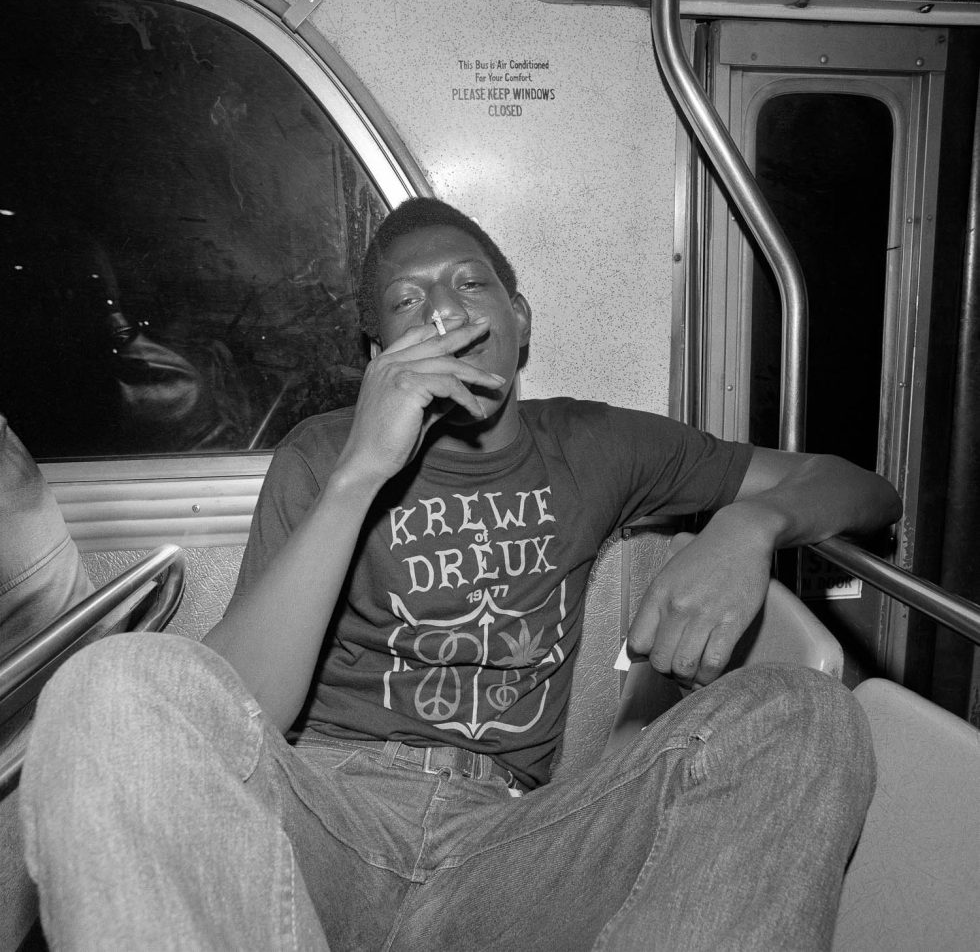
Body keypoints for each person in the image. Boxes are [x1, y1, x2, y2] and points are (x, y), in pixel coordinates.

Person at [20, 198, 902, 951]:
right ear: (379, 354)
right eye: (407, 302)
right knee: (108, 683)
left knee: (805, 713)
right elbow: (240, 709)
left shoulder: (596, 444)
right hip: (331, 817)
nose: (445, 312)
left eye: (471, 284)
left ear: (521, 321)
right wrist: (361, 470)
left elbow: (864, 488)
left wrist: (752, 523)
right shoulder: (322, 453)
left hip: (509, 840)